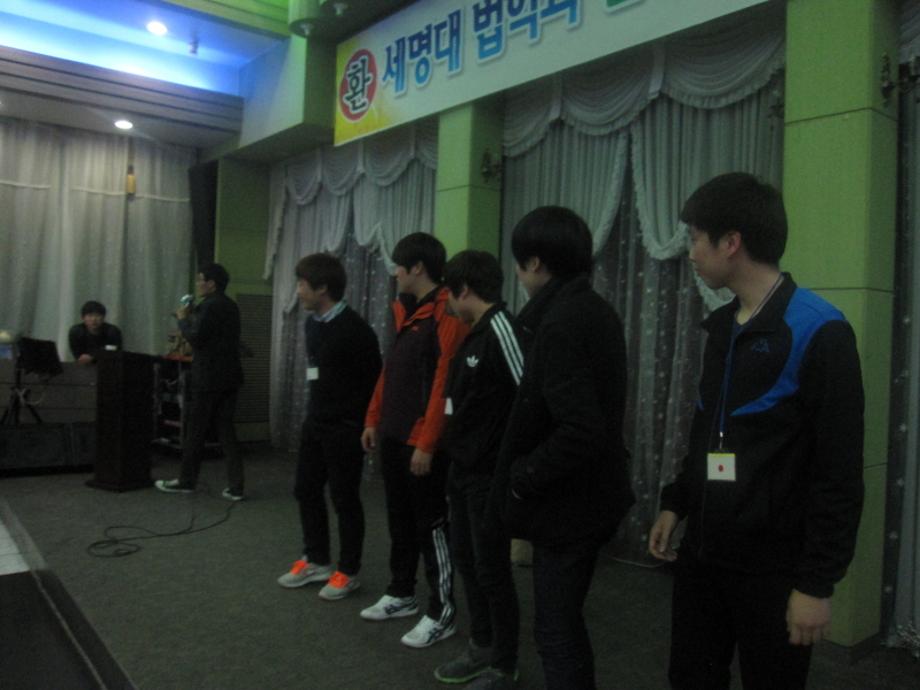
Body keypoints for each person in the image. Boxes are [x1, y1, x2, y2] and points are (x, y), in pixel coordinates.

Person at [647, 173, 865, 690]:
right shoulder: (722, 327)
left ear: (731, 242)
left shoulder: (820, 330)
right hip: (703, 556)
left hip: (774, 572)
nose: (691, 253)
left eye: (695, 238)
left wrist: (816, 584)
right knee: (691, 678)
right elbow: (708, 430)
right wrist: (676, 503)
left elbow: (839, 472)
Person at [493, 206, 634, 690]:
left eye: (519, 263)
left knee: (556, 630)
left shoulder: (559, 321)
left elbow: (580, 429)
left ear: (535, 262)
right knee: (562, 622)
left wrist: (523, 476)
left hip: (571, 503)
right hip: (589, 495)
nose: (518, 274)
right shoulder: (594, 309)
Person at [360, 232, 469, 648]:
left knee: (430, 524)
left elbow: (444, 383)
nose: (395, 273)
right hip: (393, 432)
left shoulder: (447, 310)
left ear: (418, 268)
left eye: (399, 266)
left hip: (422, 441)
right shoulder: (405, 308)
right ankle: (401, 592)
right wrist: (373, 418)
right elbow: (390, 370)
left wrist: (427, 442)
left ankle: (442, 612)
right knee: (399, 518)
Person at [433, 251, 523, 689]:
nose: (448, 301)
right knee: (468, 562)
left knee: (491, 570)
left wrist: (511, 468)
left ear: (464, 289)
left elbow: (530, 399)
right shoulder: (473, 336)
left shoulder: (503, 329)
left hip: (490, 476)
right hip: (463, 470)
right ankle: (481, 645)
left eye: (450, 292)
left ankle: (503, 664)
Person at [276, 253, 382, 601]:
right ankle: (317, 559)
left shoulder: (356, 330)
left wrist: (366, 424)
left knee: (344, 498)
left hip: (346, 428)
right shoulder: (312, 324)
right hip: (316, 422)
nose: (298, 291)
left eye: (302, 284)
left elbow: (374, 383)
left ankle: (348, 572)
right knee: (305, 489)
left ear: (322, 288)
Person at [155, 263, 246, 501]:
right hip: (230, 376)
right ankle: (236, 486)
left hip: (208, 378)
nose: (197, 284)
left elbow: (197, 337)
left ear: (211, 283)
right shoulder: (230, 305)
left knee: (195, 430)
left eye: (200, 280)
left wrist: (183, 320)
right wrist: (193, 315)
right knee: (227, 430)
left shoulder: (209, 305)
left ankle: (186, 481)